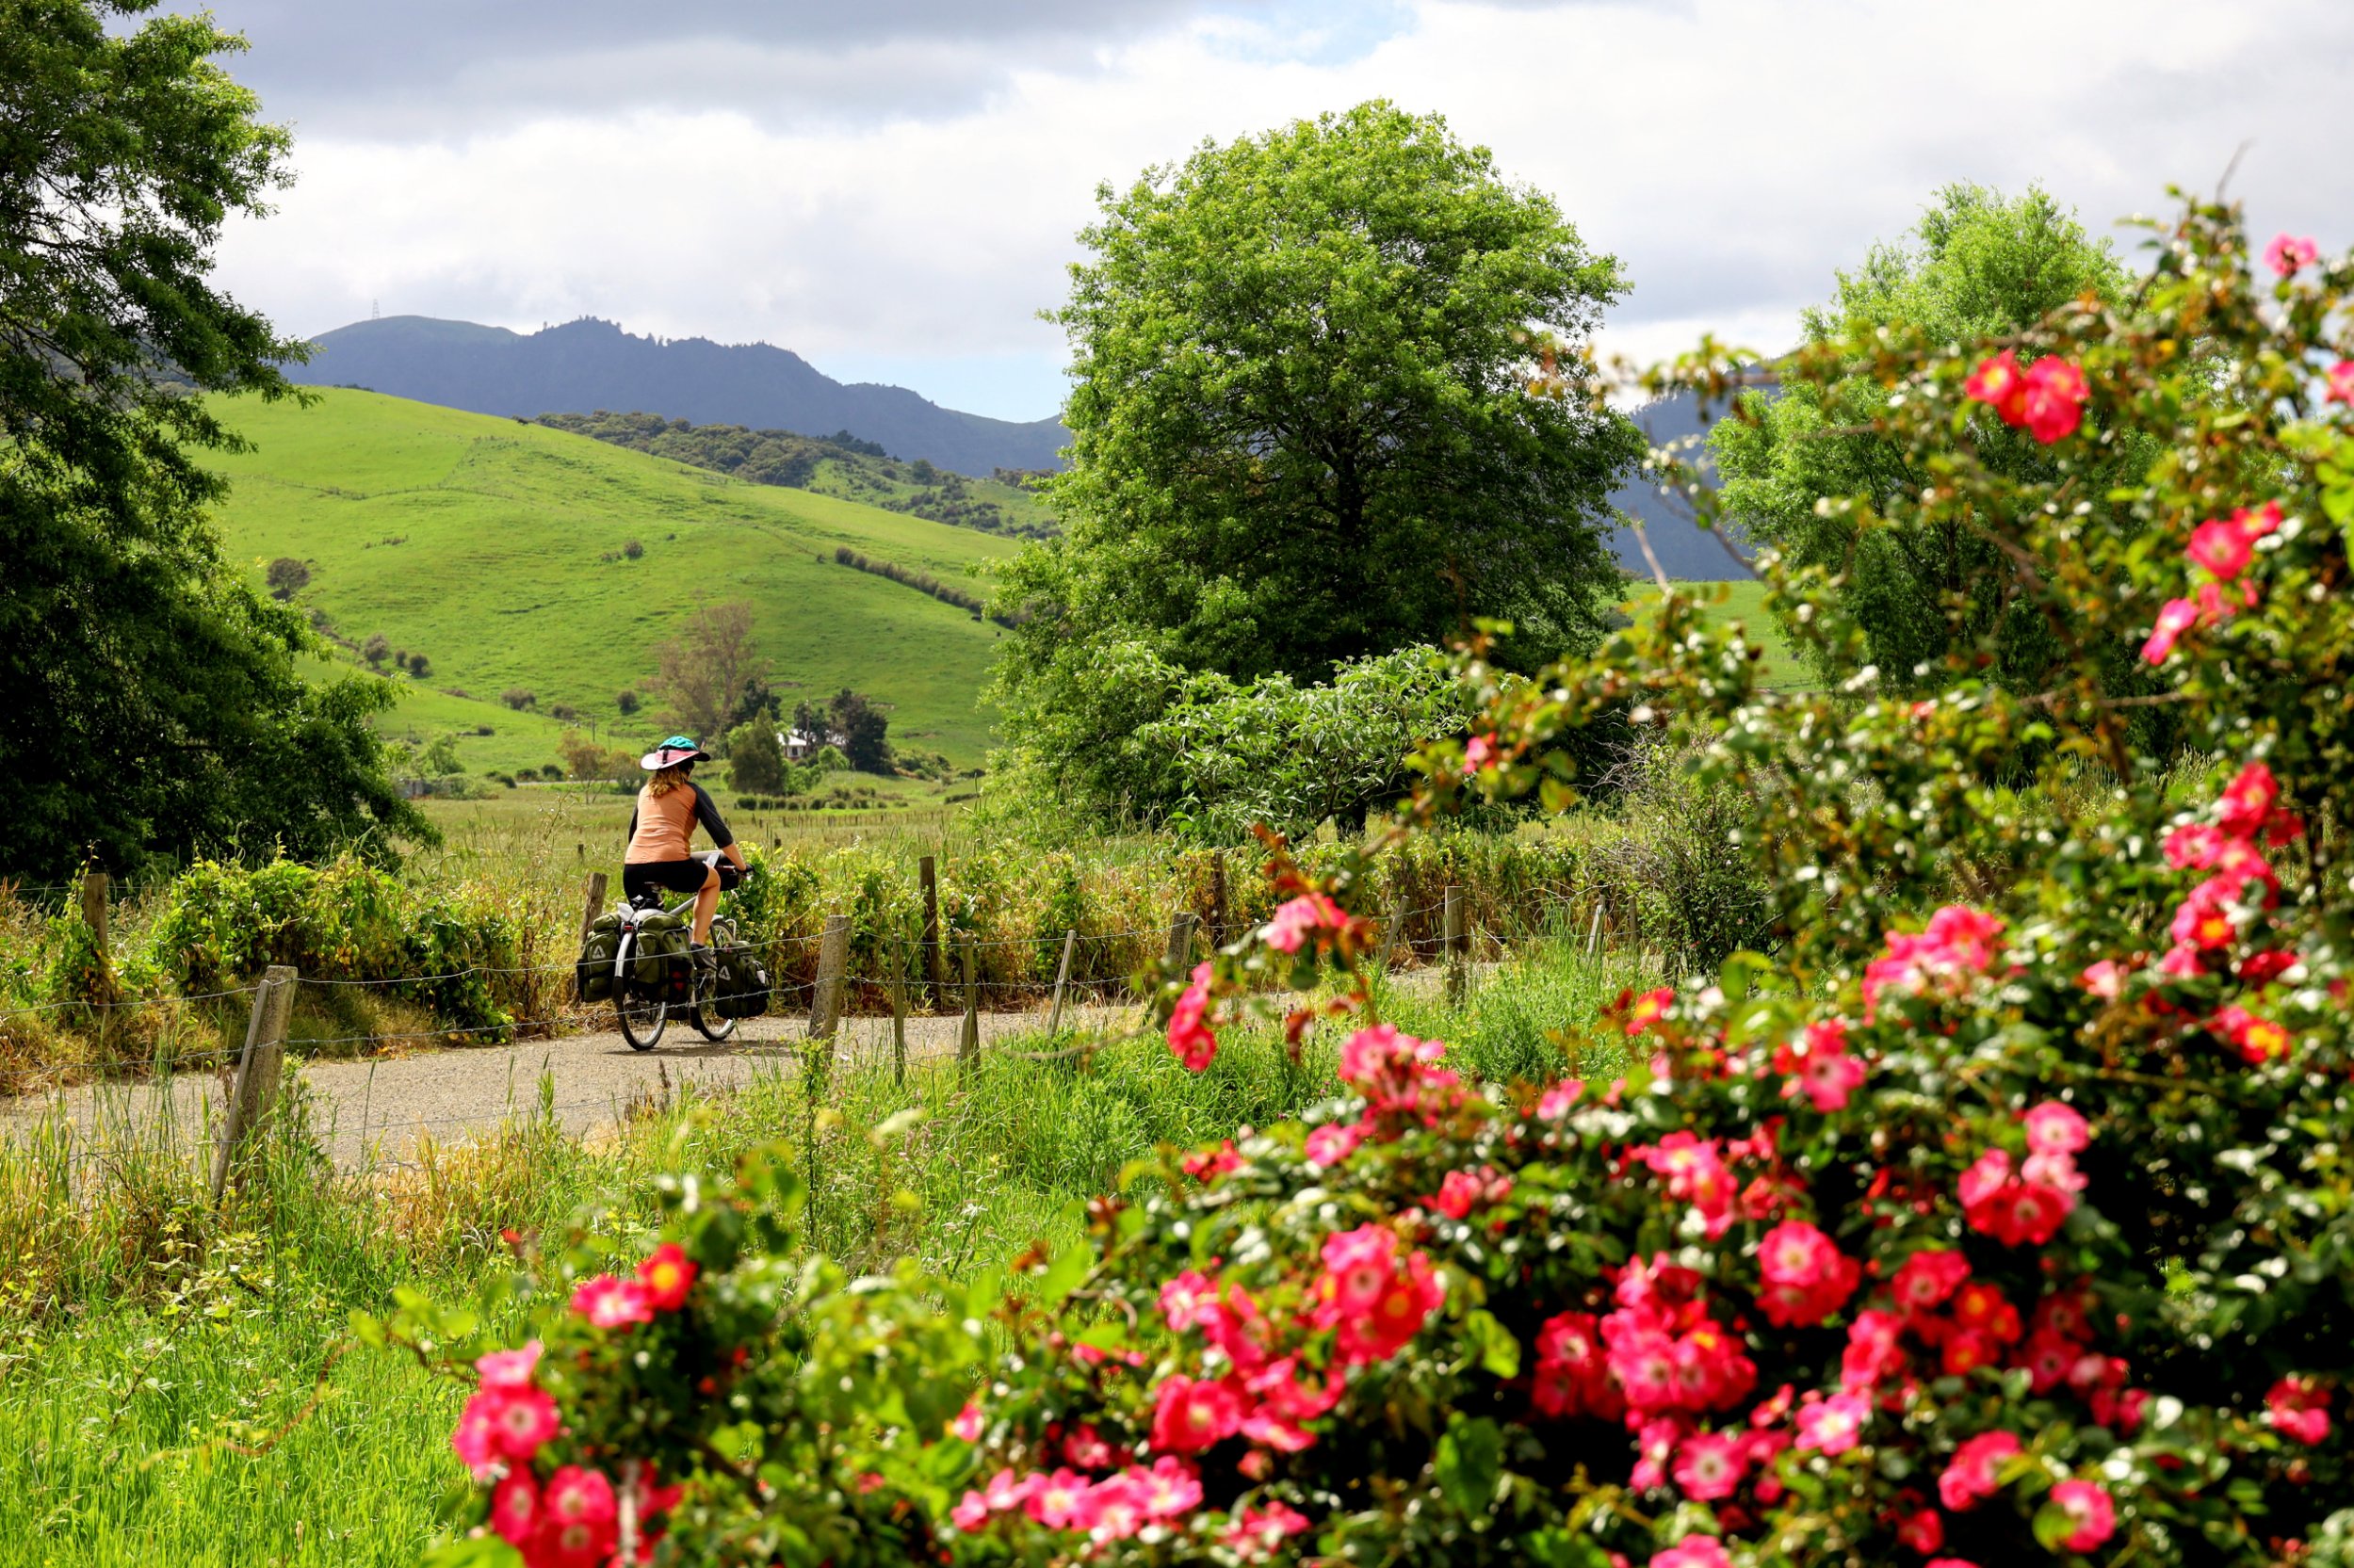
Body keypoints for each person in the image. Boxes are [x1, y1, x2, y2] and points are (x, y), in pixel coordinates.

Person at [623, 736, 748, 966]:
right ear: (688, 768)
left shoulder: (644, 792)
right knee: (712, 881)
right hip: (672, 866)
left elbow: (633, 835)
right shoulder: (693, 792)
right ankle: (697, 943)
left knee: (651, 931)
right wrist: (741, 867)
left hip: (632, 871)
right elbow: (721, 836)